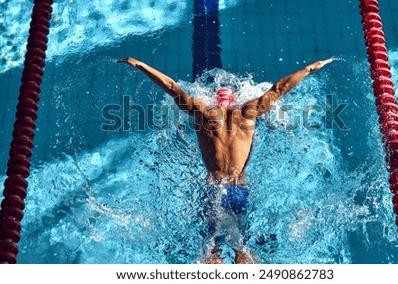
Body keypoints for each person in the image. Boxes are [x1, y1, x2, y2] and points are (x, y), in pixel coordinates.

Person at [118, 57, 333, 263]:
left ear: (215, 101)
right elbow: (278, 89)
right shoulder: (247, 112)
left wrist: (141, 65)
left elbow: (173, 88)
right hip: (239, 188)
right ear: (234, 100)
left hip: (214, 188)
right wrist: (309, 68)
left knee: (212, 249)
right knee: (240, 246)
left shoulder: (203, 112)